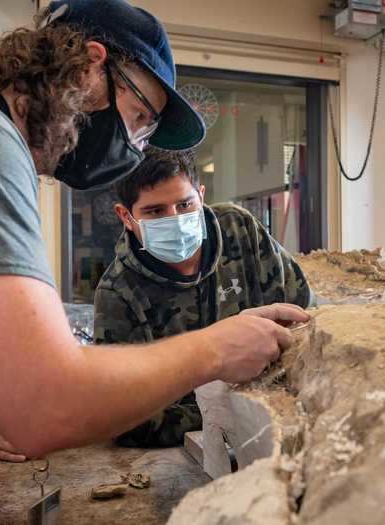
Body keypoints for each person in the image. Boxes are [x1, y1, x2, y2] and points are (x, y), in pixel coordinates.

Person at [0, 1, 309, 523]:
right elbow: (46, 403)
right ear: (89, 67)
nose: (134, 145)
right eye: (139, 116)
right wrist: (216, 348)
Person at [94, 153, 312, 447]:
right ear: (126, 217)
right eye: (156, 211)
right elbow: (127, 420)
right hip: (182, 450)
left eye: (185, 204)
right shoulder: (119, 293)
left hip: (276, 424)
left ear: (201, 195)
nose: (176, 220)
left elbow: (301, 318)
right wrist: (224, 410)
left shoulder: (240, 230)